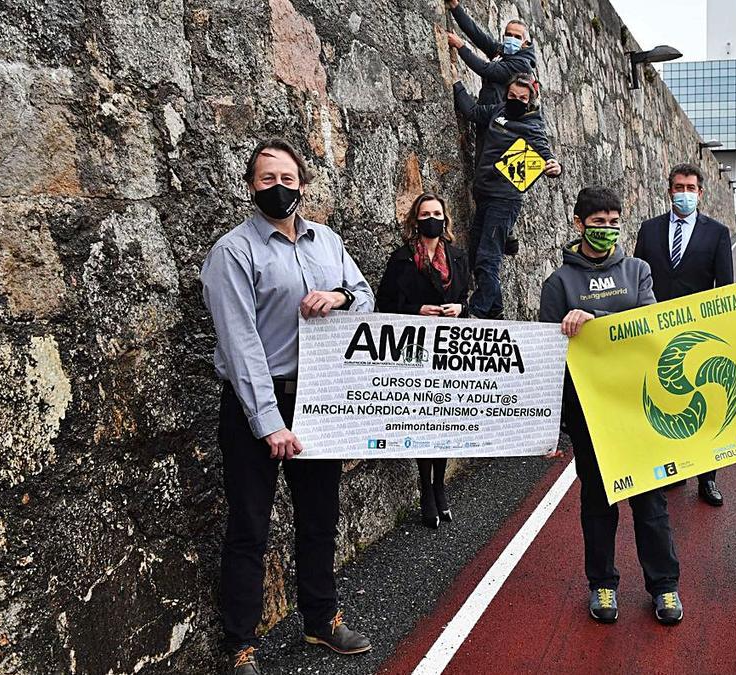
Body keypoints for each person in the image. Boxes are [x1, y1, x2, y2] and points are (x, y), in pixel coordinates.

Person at [201, 139, 374, 674]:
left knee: (319, 517)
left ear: (302, 182)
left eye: (288, 177)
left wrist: (340, 298)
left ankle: (321, 621)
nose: (279, 187)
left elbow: (365, 295)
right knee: (250, 525)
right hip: (257, 402)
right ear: (251, 186)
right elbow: (240, 342)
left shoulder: (327, 243)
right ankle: (241, 644)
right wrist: (269, 423)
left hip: (319, 398)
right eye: (267, 178)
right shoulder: (233, 252)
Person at [539, 186, 683, 626]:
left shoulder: (638, 270)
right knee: (598, 503)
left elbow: (647, 327)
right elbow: (548, 354)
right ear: (578, 224)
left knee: (650, 501)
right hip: (589, 412)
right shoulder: (558, 283)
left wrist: (595, 322)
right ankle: (602, 583)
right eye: (598, 222)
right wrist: (551, 425)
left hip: (639, 406)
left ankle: (665, 587)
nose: (607, 229)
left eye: (614, 221)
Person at [634, 163, 734, 507]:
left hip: (699, 335)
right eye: (679, 187)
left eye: (691, 188)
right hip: (657, 335)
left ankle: (707, 479)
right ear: (669, 190)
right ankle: (673, 470)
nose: (685, 193)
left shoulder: (718, 233)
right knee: (666, 401)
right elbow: (636, 277)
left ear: (701, 193)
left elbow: (725, 287)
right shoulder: (648, 230)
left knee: (705, 402)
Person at [376, 193, 470, 529]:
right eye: (425, 213)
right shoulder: (401, 259)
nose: (432, 218)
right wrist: (417, 311)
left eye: (437, 213)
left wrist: (459, 309)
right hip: (414, 348)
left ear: (445, 219)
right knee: (422, 419)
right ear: (415, 220)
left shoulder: (457, 257)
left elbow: (464, 299)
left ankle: (439, 485)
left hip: (446, 347)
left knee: (443, 417)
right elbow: (383, 305)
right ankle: (425, 487)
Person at [454, 73, 562, 319]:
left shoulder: (532, 123)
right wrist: (456, 84)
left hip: (505, 199)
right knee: (475, 255)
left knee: (487, 258)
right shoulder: (498, 111)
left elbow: (546, 153)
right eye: (512, 95)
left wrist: (554, 165)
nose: (516, 100)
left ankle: (476, 312)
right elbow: (472, 112)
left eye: (522, 98)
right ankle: (496, 312)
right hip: (483, 194)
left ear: (530, 100)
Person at [444, 0, 537, 106]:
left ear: (525, 42)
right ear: (504, 36)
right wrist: (455, 7)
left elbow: (486, 69)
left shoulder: (522, 65)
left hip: (494, 118)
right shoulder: (503, 51)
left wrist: (460, 46)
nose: (512, 39)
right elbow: (478, 36)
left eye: (517, 37)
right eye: (509, 35)